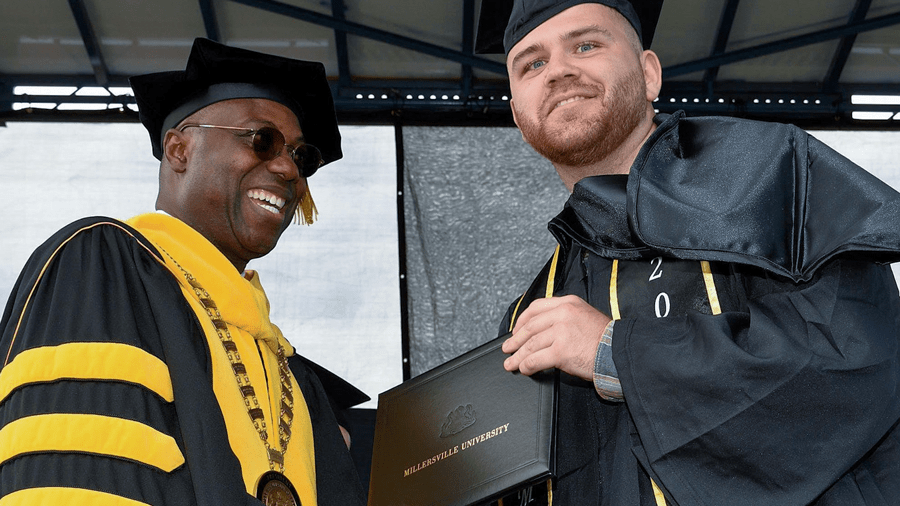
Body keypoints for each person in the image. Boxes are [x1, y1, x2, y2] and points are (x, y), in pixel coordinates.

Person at [476, 1, 900, 504]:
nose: (559, 71)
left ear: (649, 73)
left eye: (585, 45)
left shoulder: (766, 178)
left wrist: (615, 353)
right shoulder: (533, 313)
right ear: (517, 115)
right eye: (532, 64)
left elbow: (855, 355)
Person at [0, 38, 367, 506]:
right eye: (262, 140)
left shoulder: (294, 377)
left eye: (301, 157)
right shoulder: (105, 268)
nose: (287, 168)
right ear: (178, 149)